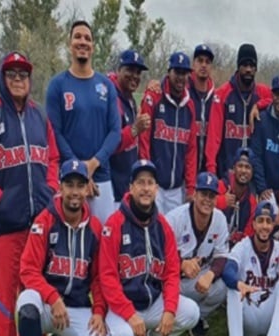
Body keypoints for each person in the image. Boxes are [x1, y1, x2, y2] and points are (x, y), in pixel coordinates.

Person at [0, 52, 60, 336]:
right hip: (3, 221)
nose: (18, 79)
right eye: (12, 73)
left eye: (23, 74)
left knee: (33, 283)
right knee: (3, 291)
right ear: (3, 78)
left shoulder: (39, 114)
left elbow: (54, 157)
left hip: (36, 219)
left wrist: (51, 189)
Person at [16, 160, 106, 336]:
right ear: (60, 187)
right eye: (69, 185)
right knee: (26, 308)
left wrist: (98, 310)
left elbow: (98, 277)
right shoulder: (45, 220)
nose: (75, 192)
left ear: (88, 189)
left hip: (75, 305)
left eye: (80, 185)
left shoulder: (96, 228)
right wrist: (53, 298)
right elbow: (28, 270)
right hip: (46, 304)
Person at [99, 160, 200, 336]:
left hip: (152, 301)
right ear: (131, 187)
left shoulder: (162, 226)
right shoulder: (114, 223)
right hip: (122, 305)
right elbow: (107, 278)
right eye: (140, 182)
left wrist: (170, 310)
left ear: (156, 188)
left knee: (191, 312)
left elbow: (172, 272)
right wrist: (129, 314)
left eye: (150, 183)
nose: (145, 188)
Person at [46, 20, 121, 224]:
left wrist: (93, 164)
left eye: (87, 38)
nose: (82, 41)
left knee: (103, 242)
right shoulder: (57, 85)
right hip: (69, 178)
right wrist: (79, 168)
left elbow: (115, 131)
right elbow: (55, 132)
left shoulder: (106, 85)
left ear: (93, 46)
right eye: (77, 37)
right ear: (69, 43)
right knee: (66, 243)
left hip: (101, 177)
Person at [205, 43, 279, 179]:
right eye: (244, 65)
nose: (248, 69)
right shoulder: (222, 94)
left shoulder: (261, 92)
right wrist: (211, 171)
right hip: (228, 172)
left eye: (252, 66)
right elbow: (213, 138)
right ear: (238, 67)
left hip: (253, 175)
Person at [222, 201, 279, 336]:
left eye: (268, 221)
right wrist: (239, 284)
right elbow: (227, 271)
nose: (264, 226)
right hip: (248, 312)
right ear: (253, 224)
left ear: (274, 224)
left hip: (270, 314)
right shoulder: (243, 246)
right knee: (233, 288)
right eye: (260, 221)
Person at [166, 172, 229, 336]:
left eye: (212, 196)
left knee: (222, 287)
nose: (207, 200)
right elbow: (158, 256)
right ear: (194, 194)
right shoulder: (174, 219)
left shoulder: (219, 219)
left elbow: (222, 255)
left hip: (198, 278)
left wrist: (211, 274)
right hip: (173, 282)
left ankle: (196, 318)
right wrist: (181, 264)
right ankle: (173, 322)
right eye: (203, 194)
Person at [139, 52, 198, 214]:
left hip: (176, 189)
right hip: (154, 184)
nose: (181, 77)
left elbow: (191, 150)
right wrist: (146, 178)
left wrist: (191, 187)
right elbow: (143, 140)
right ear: (169, 72)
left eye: (184, 73)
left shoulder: (190, 106)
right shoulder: (154, 96)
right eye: (177, 72)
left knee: (173, 235)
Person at [108, 49, 151, 207]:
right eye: (130, 70)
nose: (135, 76)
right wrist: (134, 129)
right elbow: (109, 145)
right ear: (119, 70)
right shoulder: (111, 98)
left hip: (127, 187)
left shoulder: (130, 99)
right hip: (111, 188)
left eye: (138, 72)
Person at [215, 147, 257, 246]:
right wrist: (221, 202)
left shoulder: (252, 202)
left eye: (247, 167)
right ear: (233, 169)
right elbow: (199, 205)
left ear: (252, 172)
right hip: (212, 245)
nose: (243, 171)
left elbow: (248, 237)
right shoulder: (220, 186)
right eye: (240, 166)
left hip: (236, 250)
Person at [190, 44, 216, 173]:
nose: (204, 65)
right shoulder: (184, 92)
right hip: (184, 174)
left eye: (208, 62)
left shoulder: (216, 97)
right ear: (193, 64)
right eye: (200, 60)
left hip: (206, 173)